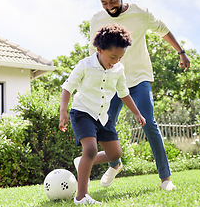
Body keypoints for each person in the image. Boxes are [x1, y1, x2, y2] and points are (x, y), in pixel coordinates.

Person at [89, 0, 190, 191]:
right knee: (105, 128)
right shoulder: (96, 21)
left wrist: (180, 52)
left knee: (149, 123)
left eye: (113, 1)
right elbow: (94, 55)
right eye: (104, 3)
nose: (109, 7)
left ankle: (165, 179)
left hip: (139, 79)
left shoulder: (140, 14)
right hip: (113, 82)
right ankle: (115, 164)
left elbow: (163, 30)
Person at [59, 24, 146, 205]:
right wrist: (63, 112)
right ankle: (81, 196)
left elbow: (124, 93)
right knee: (90, 150)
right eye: (112, 56)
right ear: (99, 49)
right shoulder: (85, 65)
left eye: (119, 57)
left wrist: (137, 113)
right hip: (82, 112)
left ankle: (82, 161)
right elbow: (68, 87)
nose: (115, 61)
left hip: (102, 117)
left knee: (115, 154)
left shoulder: (118, 70)